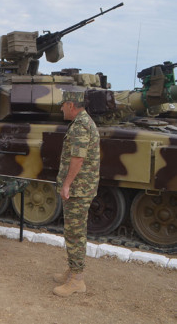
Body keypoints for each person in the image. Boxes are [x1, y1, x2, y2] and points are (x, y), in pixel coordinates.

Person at [53, 91, 100, 297]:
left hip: (78, 189)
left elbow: (78, 159)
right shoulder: (83, 122)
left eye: (63, 104)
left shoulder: (80, 126)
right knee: (73, 231)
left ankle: (77, 280)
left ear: (71, 105)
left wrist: (67, 185)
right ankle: (73, 271)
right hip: (81, 187)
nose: (61, 108)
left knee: (74, 233)